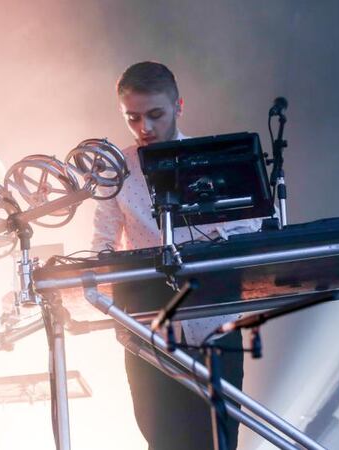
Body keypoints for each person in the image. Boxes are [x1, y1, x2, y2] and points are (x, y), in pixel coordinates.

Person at [91, 61, 260, 449]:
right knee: (161, 437)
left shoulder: (211, 159)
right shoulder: (117, 168)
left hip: (214, 314)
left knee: (217, 436)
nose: (144, 128)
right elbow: (103, 237)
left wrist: (215, 234)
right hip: (145, 319)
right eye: (132, 118)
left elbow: (249, 225)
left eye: (154, 115)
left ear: (178, 106)